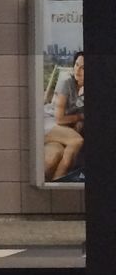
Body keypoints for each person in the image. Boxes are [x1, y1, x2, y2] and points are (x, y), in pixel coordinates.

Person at [43, 51, 84, 182]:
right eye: (76, 65)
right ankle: (59, 182)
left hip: (63, 128)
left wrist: (78, 120)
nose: (78, 70)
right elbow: (59, 118)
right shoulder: (67, 81)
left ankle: (56, 182)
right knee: (77, 141)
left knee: (57, 154)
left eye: (83, 67)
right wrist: (80, 117)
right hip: (49, 121)